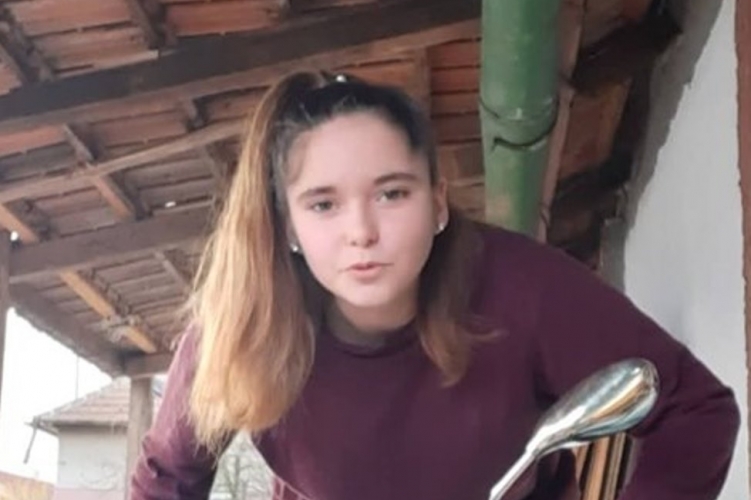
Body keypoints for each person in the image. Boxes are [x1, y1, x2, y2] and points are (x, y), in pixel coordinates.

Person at [129, 71, 740, 500]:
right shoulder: (243, 323)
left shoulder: (523, 288)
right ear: (288, 226)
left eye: (392, 193)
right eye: (323, 204)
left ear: (438, 203)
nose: (361, 232)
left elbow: (694, 409)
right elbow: (166, 479)